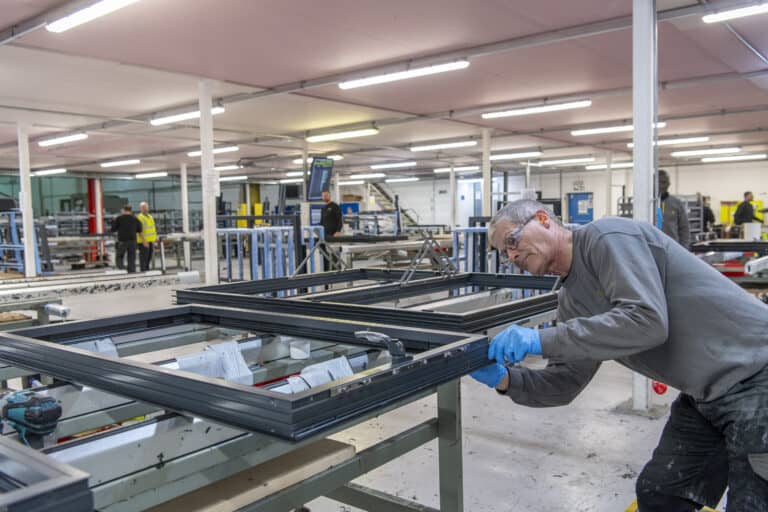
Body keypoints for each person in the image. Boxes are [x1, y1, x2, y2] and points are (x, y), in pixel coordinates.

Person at [471, 199, 768, 511]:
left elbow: (647, 322)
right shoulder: (571, 303)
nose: (512, 255)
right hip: (707, 393)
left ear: (543, 219)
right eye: (504, 253)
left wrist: (540, 339)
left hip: (757, 373)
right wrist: (505, 379)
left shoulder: (607, 237)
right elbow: (566, 382)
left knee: (752, 502)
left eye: (512, 241)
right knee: (660, 494)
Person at [657, 170, 690, 248]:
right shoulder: (648, 204)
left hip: (672, 247)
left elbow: (684, 228)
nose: (661, 185)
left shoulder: (676, 203)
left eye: (664, 182)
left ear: (669, 184)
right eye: (659, 182)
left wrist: (684, 248)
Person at [110, 205, 142, 273]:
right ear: (131, 210)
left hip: (122, 241)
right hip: (132, 241)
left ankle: (122, 270)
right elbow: (139, 229)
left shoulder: (119, 218)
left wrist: (113, 221)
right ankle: (132, 271)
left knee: (119, 256)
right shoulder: (135, 219)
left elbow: (113, 229)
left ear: (123, 210)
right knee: (131, 258)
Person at [136, 201, 157, 272]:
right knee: (143, 259)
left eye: (146, 207)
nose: (145, 209)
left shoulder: (150, 217)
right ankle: (143, 272)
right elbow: (139, 231)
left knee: (149, 258)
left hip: (150, 241)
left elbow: (152, 229)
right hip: (143, 242)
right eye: (143, 207)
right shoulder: (139, 217)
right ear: (140, 209)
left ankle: (147, 271)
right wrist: (144, 241)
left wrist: (154, 240)